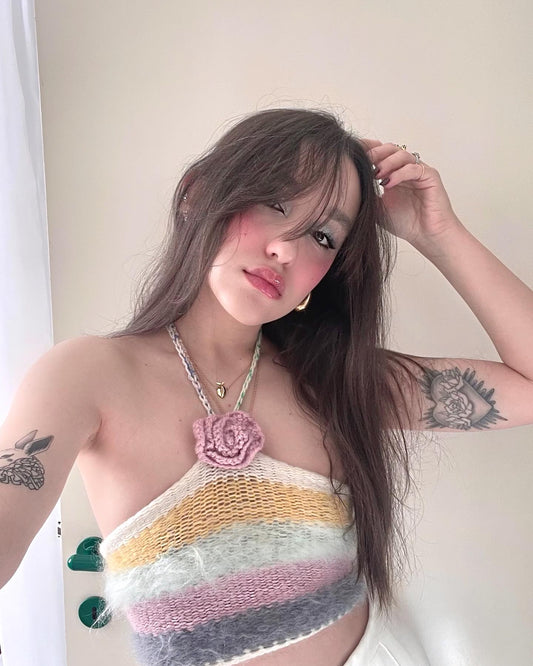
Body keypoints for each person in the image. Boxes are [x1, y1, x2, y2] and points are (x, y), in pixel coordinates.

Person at [1, 107, 532, 666]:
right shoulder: (88, 374)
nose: (287, 249)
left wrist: (438, 234)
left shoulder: (335, 380)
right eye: (275, 204)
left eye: (323, 236)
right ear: (196, 195)